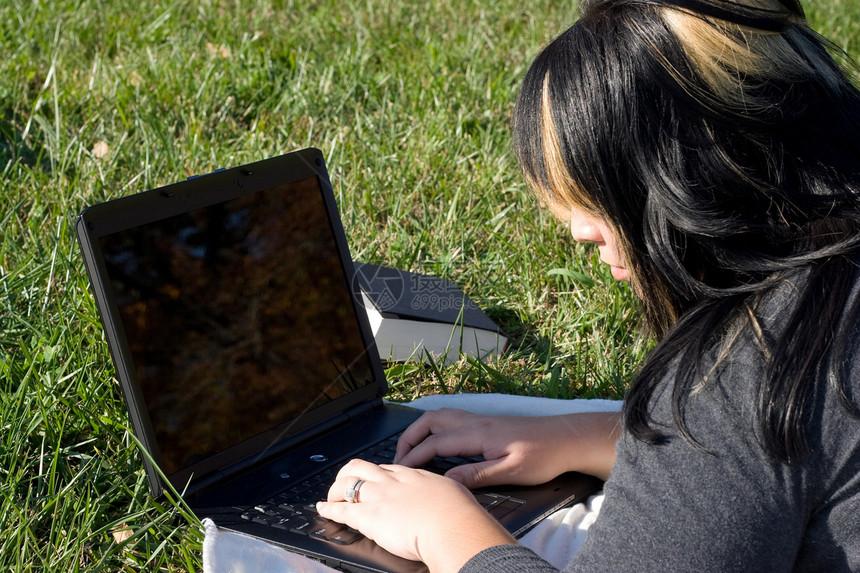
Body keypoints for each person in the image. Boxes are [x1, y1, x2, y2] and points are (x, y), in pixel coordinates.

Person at [316, 0, 860, 570]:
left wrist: (445, 528)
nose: (579, 230)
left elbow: (736, 436)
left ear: (686, 175)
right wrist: (597, 437)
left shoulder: (749, 365)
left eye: (603, 187)